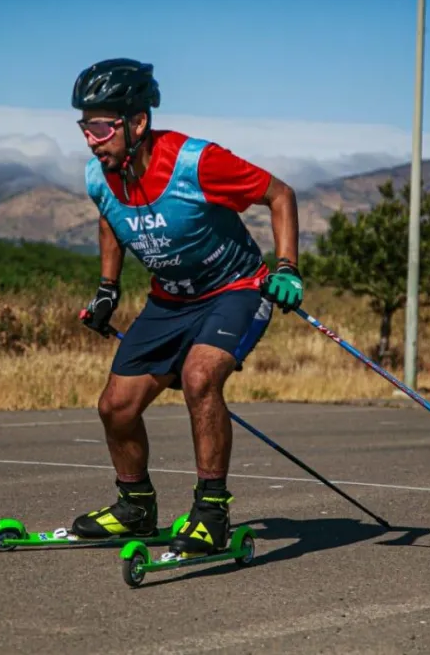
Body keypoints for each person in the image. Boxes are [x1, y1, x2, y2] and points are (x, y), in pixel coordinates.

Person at [70, 58, 304, 559]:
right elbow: (110, 221)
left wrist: (287, 267)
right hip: (170, 299)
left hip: (236, 288)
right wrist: (108, 288)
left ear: (137, 122)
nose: (91, 138)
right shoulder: (100, 175)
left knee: (200, 378)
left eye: (101, 125)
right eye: (85, 125)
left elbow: (280, 195)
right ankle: (134, 506)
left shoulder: (196, 162)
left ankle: (211, 512)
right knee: (116, 407)